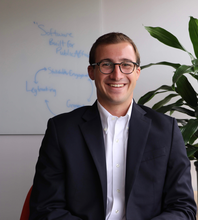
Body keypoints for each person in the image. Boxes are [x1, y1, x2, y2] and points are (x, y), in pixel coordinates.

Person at [29, 32, 197, 220]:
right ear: (91, 72)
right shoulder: (61, 130)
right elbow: (45, 207)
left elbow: (183, 207)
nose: (117, 75)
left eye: (126, 64)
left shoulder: (167, 129)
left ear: (137, 72)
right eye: (106, 64)